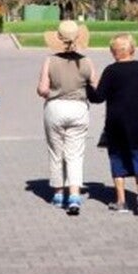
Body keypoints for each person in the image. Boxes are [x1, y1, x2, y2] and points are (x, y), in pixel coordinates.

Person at [88, 33, 138, 216]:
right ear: (132, 49)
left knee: (118, 158)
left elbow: (98, 97)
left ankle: (121, 201)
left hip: (116, 123)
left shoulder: (111, 71)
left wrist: (88, 86)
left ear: (114, 52)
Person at [37, 20, 94, 215]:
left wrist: (52, 90)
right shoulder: (86, 61)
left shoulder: (50, 60)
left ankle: (59, 192)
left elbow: (43, 89)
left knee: (56, 152)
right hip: (79, 108)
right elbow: (95, 84)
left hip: (55, 107)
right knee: (75, 153)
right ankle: (75, 195)